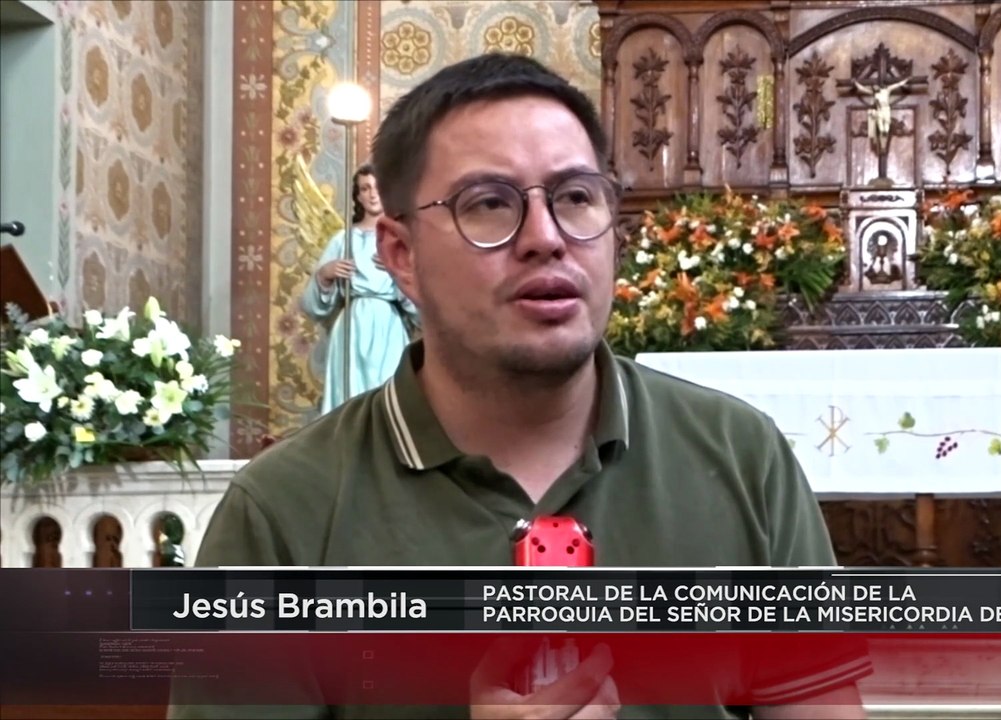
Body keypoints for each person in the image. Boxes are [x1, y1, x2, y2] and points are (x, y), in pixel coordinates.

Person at [170, 53, 870, 720]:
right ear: (401, 255)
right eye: (489, 205)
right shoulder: (282, 513)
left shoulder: (740, 457)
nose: (546, 237)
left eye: (575, 196)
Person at [300, 165, 417, 415]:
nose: (372, 194)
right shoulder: (343, 240)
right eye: (365, 188)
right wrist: (325, 275)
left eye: (377, 188)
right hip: (352, 327)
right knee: (350, 394)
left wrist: (398, 276)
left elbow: (421, 305)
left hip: (389, 327)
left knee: (389, 394)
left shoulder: (402, 240)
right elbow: (312, 306)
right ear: (358, 196)